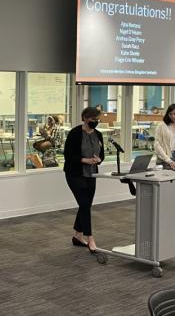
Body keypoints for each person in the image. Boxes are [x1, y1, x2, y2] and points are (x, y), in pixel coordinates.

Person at [63, 107, 105, 253]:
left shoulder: (98, 135)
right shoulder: (75, 134)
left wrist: (98, 160)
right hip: (75, 174)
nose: (95, 122)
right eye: (93, 119)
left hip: (91, 174)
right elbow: (68, 155)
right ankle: (90, 238)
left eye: (97, 119)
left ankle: (77, 235)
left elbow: (102, 155)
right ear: (85, 118)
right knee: (85, 204)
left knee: (86, 205)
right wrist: (84, 160)